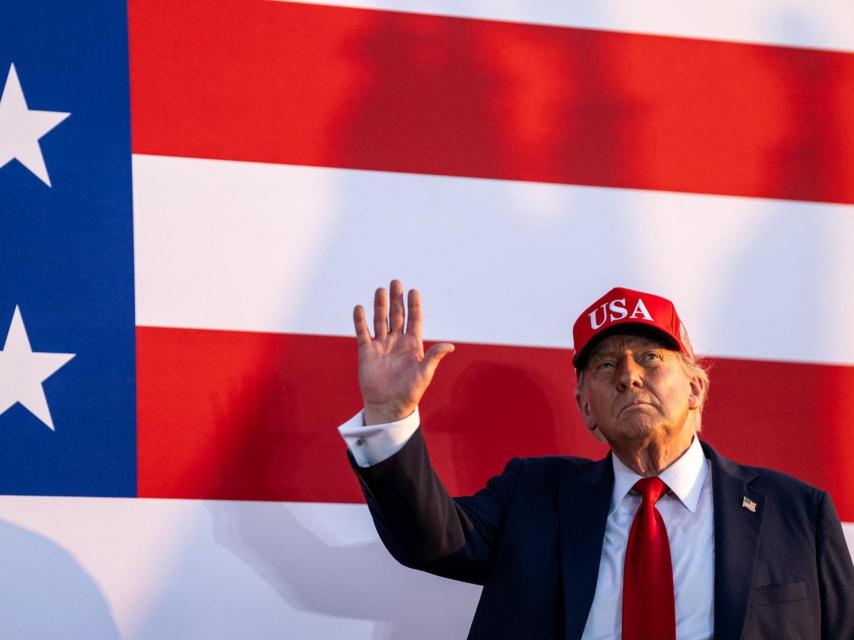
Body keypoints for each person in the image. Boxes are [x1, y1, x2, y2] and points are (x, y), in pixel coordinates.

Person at [337, 280, 854, 639]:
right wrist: (389, 414)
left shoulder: (798, 514)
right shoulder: (533, 495)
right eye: (606, 365)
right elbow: (431, 541)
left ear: (696, 386)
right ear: (586, 408)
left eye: (650, 357)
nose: (628, 375)